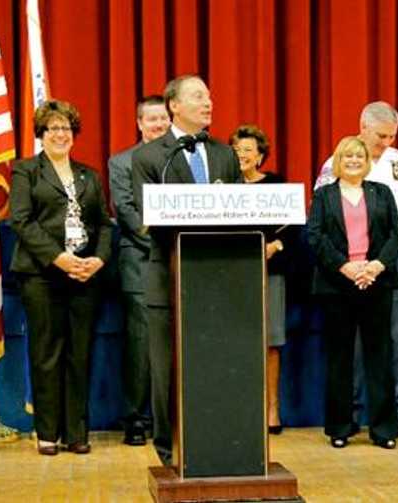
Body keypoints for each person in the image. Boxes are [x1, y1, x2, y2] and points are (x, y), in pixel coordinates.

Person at [131, 75, 242, 464]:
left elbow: (242, 211)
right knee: (168, 369)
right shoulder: (149, 157)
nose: (208, 102)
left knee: (217, 363)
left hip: (220, 280)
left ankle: (220, 441)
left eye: (209, 96)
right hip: (169, 277)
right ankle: (170, 450)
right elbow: (149, 216)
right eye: (198, 96)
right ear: (174, 105)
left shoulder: (225, 154)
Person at [315, 102, 398, 436]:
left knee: (397, 337)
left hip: (392, 258)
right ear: (363, 127)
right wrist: (349, 265)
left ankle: (393, 411)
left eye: (391, 136)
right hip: (346, 265)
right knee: (351, 343)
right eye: (380, 136)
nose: (386, 143)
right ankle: (348, 413)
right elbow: (322, 220)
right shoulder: (337, 162)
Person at [10, 99, 113, 455]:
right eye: (53, 128)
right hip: (41, 274)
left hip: (86, 275)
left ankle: (76, 433)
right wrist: (58, 259)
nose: (60, 134)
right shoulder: (26, 171)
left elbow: (103, 223)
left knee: (78, 354)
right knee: (46, 354)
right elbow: (21, 220)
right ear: (41, 134)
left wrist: (98, 259)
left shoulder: (89, 175)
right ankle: (48, 433)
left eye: (66, 128)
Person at [308, 136, 398, 450]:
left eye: (359, 156)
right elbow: (316, 236)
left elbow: (395, 233)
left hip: (376, 282)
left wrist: (375, 266)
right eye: (347, 156)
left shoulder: (382, 192)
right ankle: (340, 427)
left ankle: (384, 429)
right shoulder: (323, 195)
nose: (353, 161)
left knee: (380, 356)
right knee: (340, 358)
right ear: (338, 160)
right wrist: (345, 267)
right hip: (337, 285)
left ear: (367, 162)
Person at [108, 95, 170, 445]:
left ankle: (174, 418)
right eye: (152, 120)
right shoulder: (122, 162)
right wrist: (164, 245)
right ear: (139, 123)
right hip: (142, 262)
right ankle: (135, 418)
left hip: (183, 264)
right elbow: (128, 213)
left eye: (163, 119)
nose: (158, 125)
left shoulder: (184, 158)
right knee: (141, 345)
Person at [229, 124, 293, 435]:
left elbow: (291, 229)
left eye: (247, 150)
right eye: (237, 150)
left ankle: (272, 408)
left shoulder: (277, 184)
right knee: (233, 342)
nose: (241, 155)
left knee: (270, 342)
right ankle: (238, 407)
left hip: (270, 272)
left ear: (260, 156)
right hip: (231, 273)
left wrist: (275, 245)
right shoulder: (222, 187)